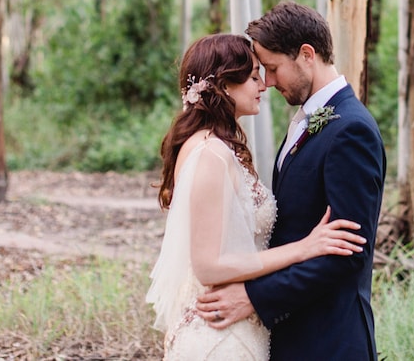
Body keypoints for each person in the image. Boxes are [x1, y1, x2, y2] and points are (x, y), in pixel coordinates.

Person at [147, 33, 367, 361]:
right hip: (221, 335)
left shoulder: (219, 147)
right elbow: (207, 267)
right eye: (253, 77)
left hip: (238, 326)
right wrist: (304, 247)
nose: (263, 85)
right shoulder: (210, 153)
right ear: (223, 86)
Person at [195, 2, 386, 361]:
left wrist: (254, 297)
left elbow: (348, 255)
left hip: (329, 340)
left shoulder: (351, 130)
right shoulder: (306, 120)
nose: (267, 81)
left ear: (306, 55)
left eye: (272, 68)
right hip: (292, 334)